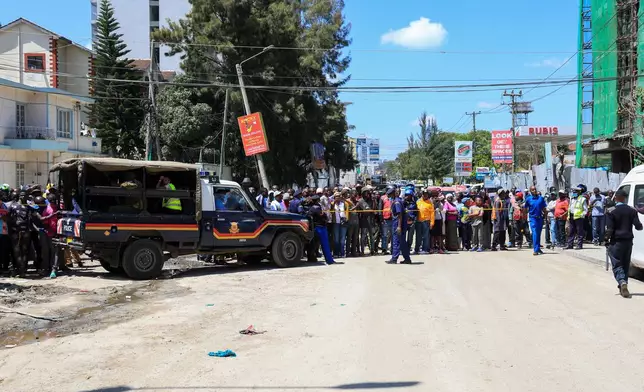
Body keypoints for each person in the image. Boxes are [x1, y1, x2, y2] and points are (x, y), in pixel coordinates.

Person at [605, 189, 643, 298]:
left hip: (616, 241)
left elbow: (609, 229)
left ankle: (622, 282)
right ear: (625, 198)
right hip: (628, 242)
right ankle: (624, 285)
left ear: (616, 198)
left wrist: (606, 239)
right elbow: (638, 226)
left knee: (617, 263)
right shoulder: (632, 210)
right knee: (625, 264)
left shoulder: (611, 210)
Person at [8, 187, 32, 277]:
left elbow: (9, 219)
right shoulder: (27, 206)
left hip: (16, 231)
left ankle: (20, 270)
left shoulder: (12, 206)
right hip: (26, 231)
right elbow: (30, 219)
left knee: (17, 251)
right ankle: (23, 271)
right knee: (24, 251)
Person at [306, 195, 335, 265]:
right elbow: (323, 216)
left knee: (313, 244)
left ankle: (311, 258)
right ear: (318, 200)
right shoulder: (317, 207)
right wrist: (324, 215)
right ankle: (329, 260)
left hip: (314, 228)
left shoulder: (310, 208)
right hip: (321, 227)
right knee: (325, 244)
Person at [387, 188, 412, 264]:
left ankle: (394, 258)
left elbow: (399, 214)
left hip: (398, 224)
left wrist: (399, 226)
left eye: (390, 195)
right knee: (402, 242)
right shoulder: (397, 200)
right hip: (400, 223)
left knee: (396, 242)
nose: (389, 196)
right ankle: (407, 259)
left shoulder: (397, 202)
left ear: (393, 194)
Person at [523, 186, 547, 256]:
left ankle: (538, 248)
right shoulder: (528, 199)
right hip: (532, 218)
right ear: (530, 191)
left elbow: (544, 208)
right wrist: (524, 217)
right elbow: (525, 208)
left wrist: (545, 216)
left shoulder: (541, 199)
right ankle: (535, 250)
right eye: (532, 190)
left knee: (538, 233)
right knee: (535, 233)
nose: (534, 190)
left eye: (535, 189)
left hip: (540, 218)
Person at [567, 186, 588, 250]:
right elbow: (570, 208)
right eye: (573, 192)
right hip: (571, 216)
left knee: (579, 232)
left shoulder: (582, 199)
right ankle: (570, 245)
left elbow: (585, 210)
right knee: (571, 231)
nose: (574, 193)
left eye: (575, 192)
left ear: (579, 192)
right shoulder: (572, 198)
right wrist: (568, 216)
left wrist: (582, 215)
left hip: (579, 217)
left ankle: (579, 245)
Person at [415, 190, 434, 254]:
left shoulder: (430, 202)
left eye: (426, 194)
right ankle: (416, 249)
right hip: (418, 221)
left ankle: (425, 249)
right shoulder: (418, 201)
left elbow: (432, 213)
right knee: (418, 236)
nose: (425, 195)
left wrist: (432, 223)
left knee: (425, 236)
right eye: (423, 194)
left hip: (426, 221)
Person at [358, 187, 376, 256]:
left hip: (370, 220)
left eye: (367, 192)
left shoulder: (371, 200)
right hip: (363, 220)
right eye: (365, 192)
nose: (366, 193)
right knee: (363, 237)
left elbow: (374, 209)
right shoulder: (360, 201)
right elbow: (363, 210)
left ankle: (372, 250)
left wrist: (374, 201)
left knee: (371, 236)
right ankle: (362, 250)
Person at [331, 192, 348, 258]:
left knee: (342, 239)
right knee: (336, 239)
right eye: (336, 196)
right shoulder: (332, 204)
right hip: (336, 223)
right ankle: (336, 253)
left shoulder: (344, 204)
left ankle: (342, 253)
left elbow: (347, 211)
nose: (338, 197)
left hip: (343, 223)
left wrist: (346, 219)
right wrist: (334, 203)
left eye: (339, 196)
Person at [379, 187, 395, 255]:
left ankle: (392, 249)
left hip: (392, 219)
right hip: (385, 219)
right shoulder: (382, 198)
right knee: (384, 235)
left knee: (393, 235)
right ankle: (384, 249)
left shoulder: (394, 198)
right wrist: (381, 219)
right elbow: (380, 209)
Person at [346, 189, 360, 257]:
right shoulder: (347, 201)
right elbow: (348, 210)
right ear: (351, 194)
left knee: (355, 237)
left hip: (356, 222)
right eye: (354, 195)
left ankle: (353, 251)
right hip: (350, 222)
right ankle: (347, 252)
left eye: (356, 195)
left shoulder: (357, 202)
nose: (355, 197)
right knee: (349, 237)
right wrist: (355, 206)